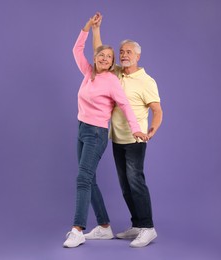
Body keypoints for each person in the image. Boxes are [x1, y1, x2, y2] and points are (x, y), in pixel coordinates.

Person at [63, 14, 148, 248]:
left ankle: (77, 229)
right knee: (89, 180)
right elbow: (76, 49)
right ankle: (104, 227)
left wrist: (137, 129)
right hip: (81, 130)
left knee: (82, 178)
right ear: (96, 58)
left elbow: (125, 106)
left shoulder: (111, 81)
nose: (105, 58)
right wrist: (89, 27)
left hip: (96, 134)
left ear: (112, 63)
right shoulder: (88, 73)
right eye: (101, 54)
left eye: (109, 57)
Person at [91, 12, 163, 248]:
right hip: (116, 138)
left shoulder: (147, 81)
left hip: (136, 139)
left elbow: (157, 110)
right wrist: (96, 29)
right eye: (122, 52)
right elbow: (99, 53)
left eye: (128, 52)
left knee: (136, 181)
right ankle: (137, 224)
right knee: (124, 184)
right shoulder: (117, 73)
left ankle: (148, 228)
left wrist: (152, 129)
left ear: (138, 56)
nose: (123, 55)